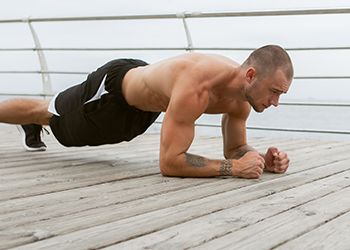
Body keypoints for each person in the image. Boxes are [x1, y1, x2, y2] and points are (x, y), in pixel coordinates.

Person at [0, 45, 293, 179]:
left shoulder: (242, 99)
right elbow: (170, 163)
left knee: (61, 127)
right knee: (50, 117)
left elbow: (236, 148)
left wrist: (259, 160)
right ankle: (31, 121)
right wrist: (232, 169)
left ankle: (32, 123)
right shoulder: (196, 87)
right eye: (275, 92)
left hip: (143, 111)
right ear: (251, 75)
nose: (275, 102)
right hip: (113, 94)